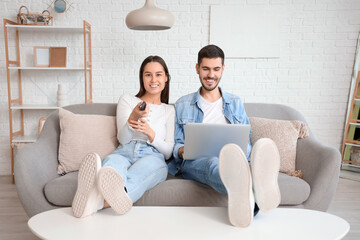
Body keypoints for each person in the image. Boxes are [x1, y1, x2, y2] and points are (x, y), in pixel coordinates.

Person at [168, 45, 281, 228]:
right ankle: (257, 189)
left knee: (241, 153)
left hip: (233, 157)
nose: (211, 75)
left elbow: (246, 136)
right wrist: (182, 150)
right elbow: (176, 144)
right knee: (213, 163)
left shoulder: (235, 102)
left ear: (223, 69)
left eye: (216, 69)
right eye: (205, 69)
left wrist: (244, 155)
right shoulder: (182, 104)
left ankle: (249, 196)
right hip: (197, 161)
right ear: (197, 68)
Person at [72, 55, 175, 218]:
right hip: (125, 151)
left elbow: (168, 152)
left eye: (158, 74)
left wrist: (151, 133)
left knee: (145, 171)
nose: (153, 79)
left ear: (166, 78)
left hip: (153, 156)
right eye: (148, 74)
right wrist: (132, 118)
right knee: (111, 167)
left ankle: (95, 201)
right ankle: (100, 192)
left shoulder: (169, 110)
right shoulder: (128, 100)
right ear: (142, 78)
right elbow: (123, 139)